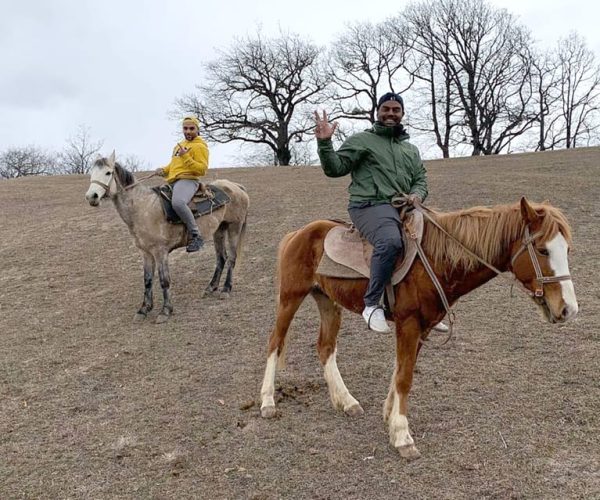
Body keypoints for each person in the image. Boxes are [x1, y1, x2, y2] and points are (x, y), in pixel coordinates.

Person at [315, 92, 448, 334]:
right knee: (389, 242)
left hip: (404, 207)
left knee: (435, 241)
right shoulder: (362, 140)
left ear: (402, 114)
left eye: (396, 110)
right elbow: (335, 169)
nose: (390, 114)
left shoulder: (410, 149)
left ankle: (426, 304)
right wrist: (325, 143)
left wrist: (417, 195)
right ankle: (372, 303)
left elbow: (420, 178)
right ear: (377, 112)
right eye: (386, 109)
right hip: (369, 206)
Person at [155, 116, 209, 252]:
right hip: (173, 181)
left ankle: (196, 235)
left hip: (188, 180)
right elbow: (173, 165)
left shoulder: (200, 147)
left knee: (178, 203)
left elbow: (202, 169)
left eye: (192, 128)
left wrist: (186, 156)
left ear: (197, 129)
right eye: (185, 128)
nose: (188, 131)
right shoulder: (178, 145)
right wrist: (163, 170)